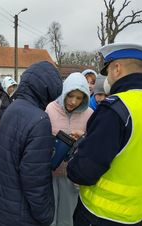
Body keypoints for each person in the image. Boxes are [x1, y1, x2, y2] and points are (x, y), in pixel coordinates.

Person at [67, 43, 142, 226]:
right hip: (136, 214)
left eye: (107, 72)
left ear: (117, 68)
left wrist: (77, 152)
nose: (107, 78)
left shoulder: (115, 109)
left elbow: (83, 172)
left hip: (100, 215)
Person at [0, 61, 63, 226]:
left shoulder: (11, 109)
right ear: (48, 91)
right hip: (21, 214)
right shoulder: (39, 120)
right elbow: (34, 179)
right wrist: (46, 215)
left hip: (1, 206)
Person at [45, 72, 93, 226]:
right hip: (49, 174)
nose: (73, 101)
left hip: (72, 177)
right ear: (64, 92)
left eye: (79, 98)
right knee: (49, 216)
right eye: (70, 95)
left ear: (85, 98)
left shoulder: (90, 114)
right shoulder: (50, 109)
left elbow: (94, 144)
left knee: (67, 218)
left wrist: (84, 138)